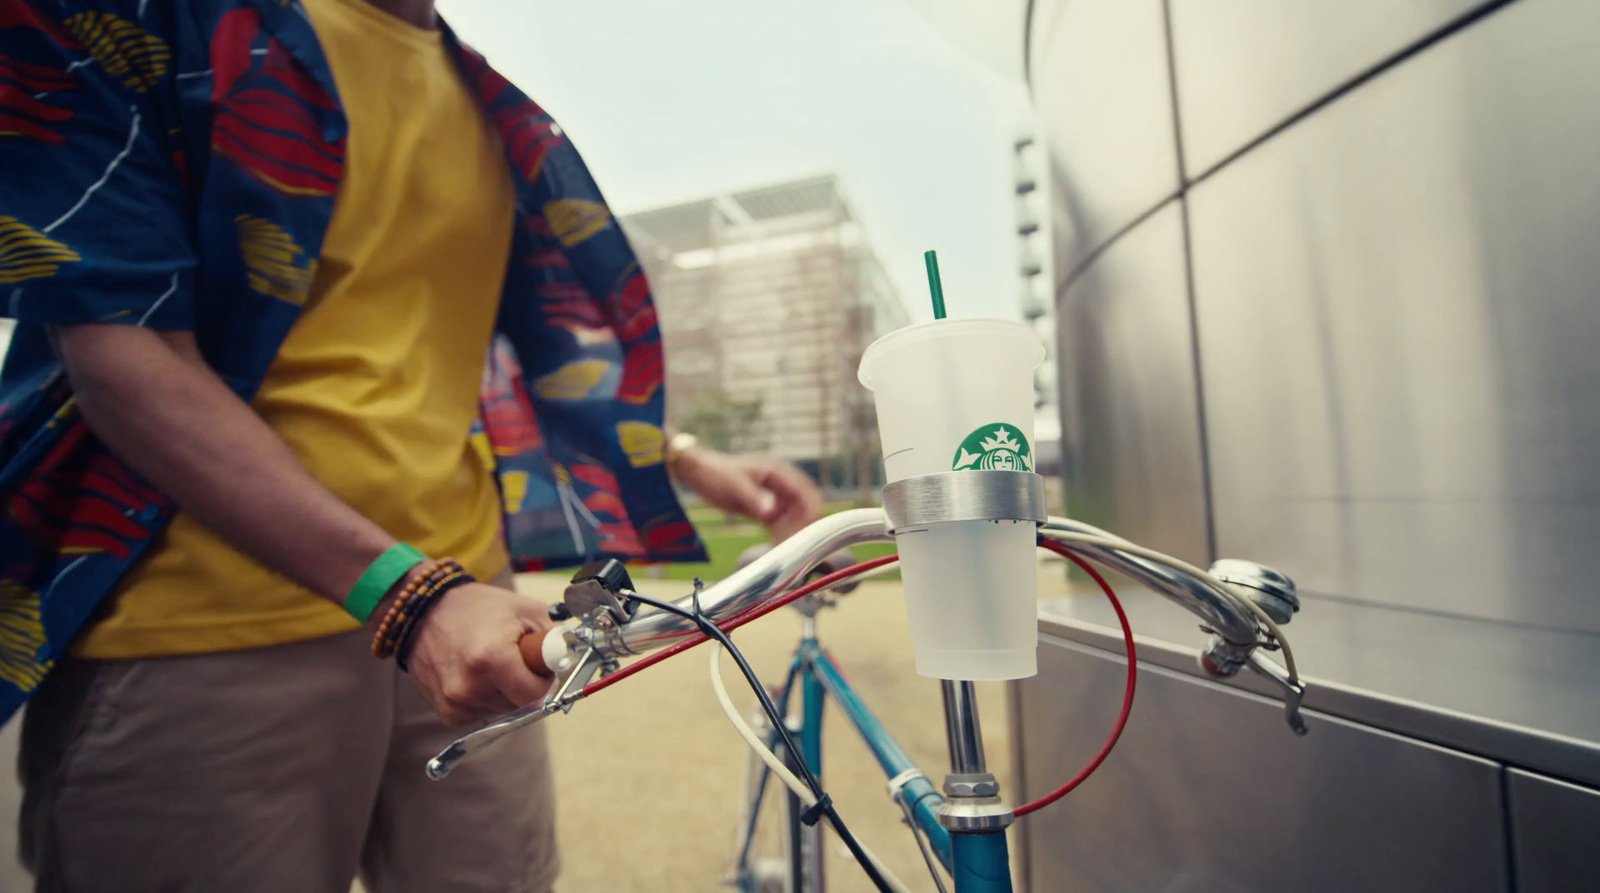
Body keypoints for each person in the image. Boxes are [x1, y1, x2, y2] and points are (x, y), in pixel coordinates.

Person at [0, 0, 824, 889]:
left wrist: (690, 456)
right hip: (207, 632)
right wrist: (407, 595)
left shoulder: (487, 104)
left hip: (472, 613)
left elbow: (523, 350)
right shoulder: (135, 15)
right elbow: (125, 358)